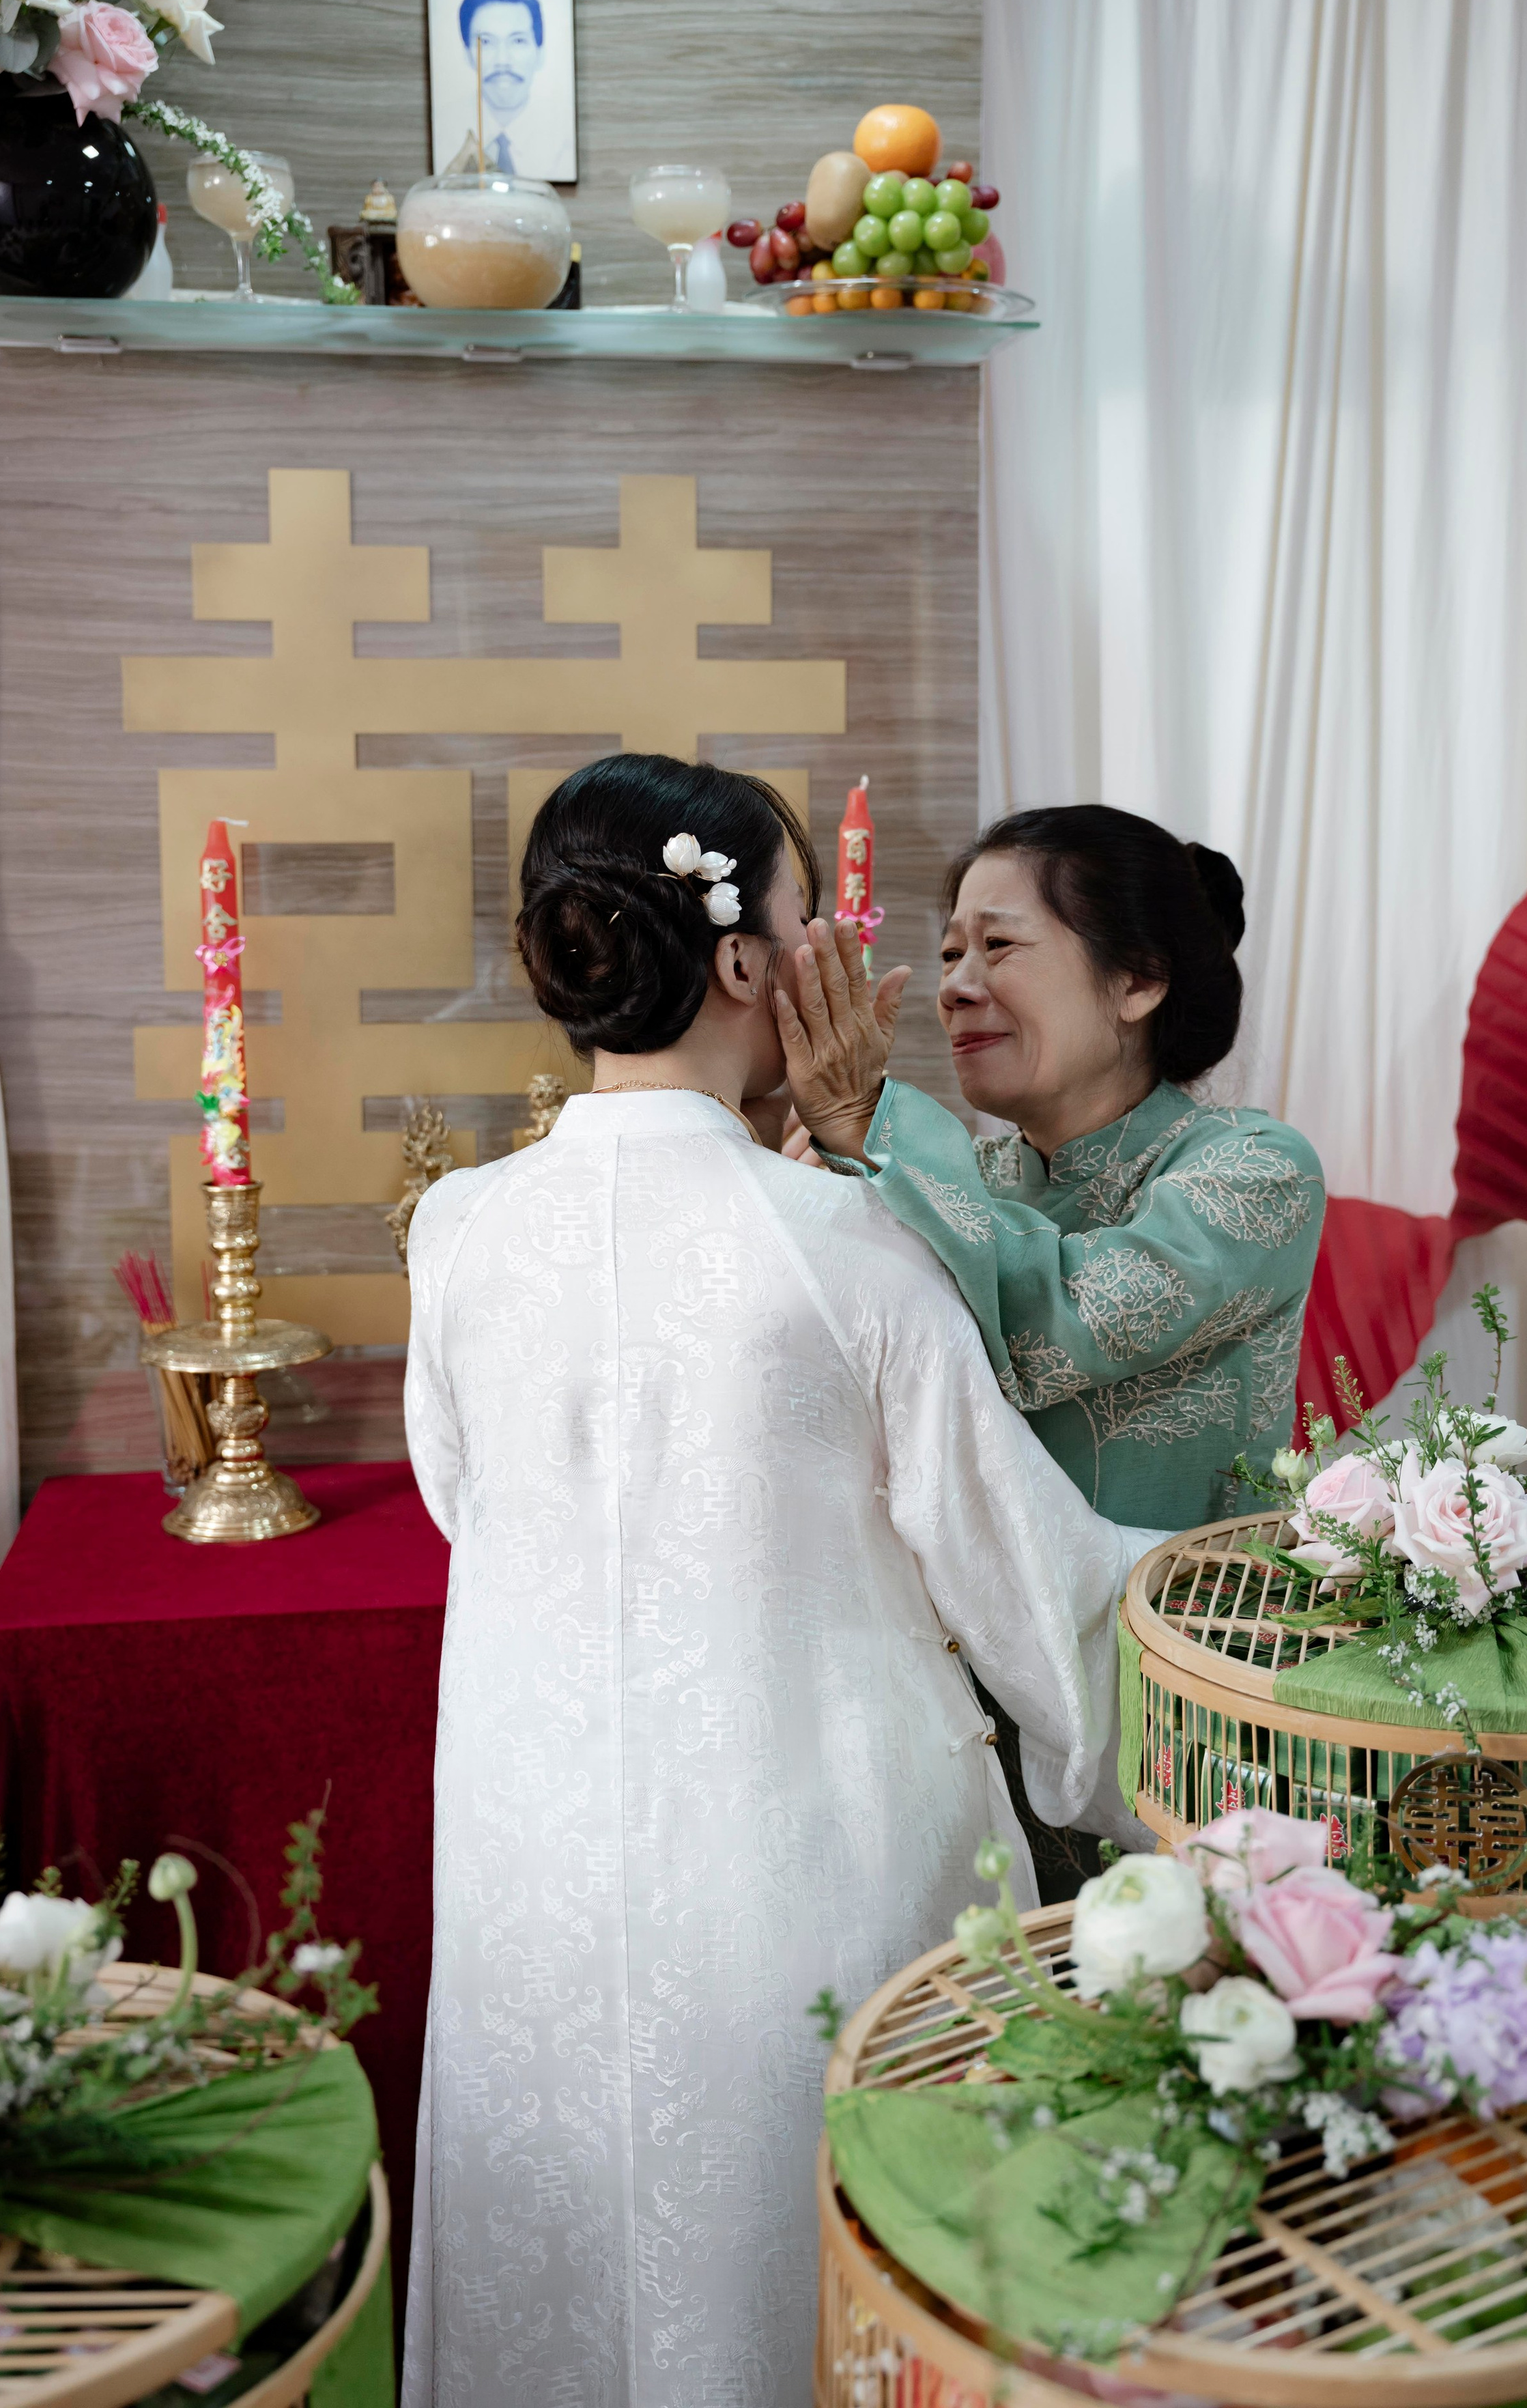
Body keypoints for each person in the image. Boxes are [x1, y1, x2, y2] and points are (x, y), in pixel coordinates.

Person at [401, 756, 1149, 2408]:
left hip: (536, 1861)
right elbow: (1027, 1583)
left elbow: (468, 1506)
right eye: (814, 924)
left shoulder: (455, 1230)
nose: (843, 964)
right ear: (747, 963)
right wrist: (1262, 1586)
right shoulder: (836, 1240)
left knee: (567, 2259)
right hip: (800, 1854)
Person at [781, 804, 1326, 1534]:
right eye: (948, 955)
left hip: (1182, 1634)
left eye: (997, 944)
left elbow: (1053, 1326)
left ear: (1137, 979)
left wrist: (869, 1134)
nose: (955, 989)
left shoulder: (1257, 1168)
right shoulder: (948, 1176)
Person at [451, 0, 569, 179]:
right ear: (467, 54)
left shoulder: (566, 141)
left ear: (540, 53)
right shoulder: (447, 131)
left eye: (518, 41)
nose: (503, 61)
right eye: (486, 42)